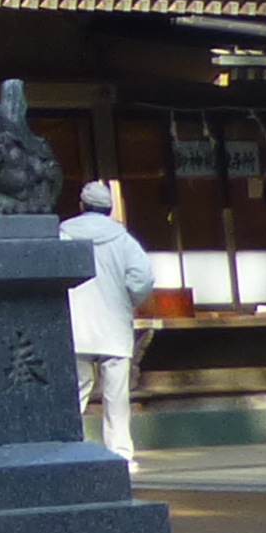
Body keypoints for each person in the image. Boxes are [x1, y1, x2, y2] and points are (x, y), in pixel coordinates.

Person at [62, 178, 158, 457]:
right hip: (113, 327)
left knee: (75, 393)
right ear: (108, 209)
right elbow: (143, 279)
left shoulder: (63, 234)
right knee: (116, 398)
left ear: (82, 205)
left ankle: (69, 451)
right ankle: (120, 454)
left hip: (75, 325)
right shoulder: (123, 240)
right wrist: (129, 302)